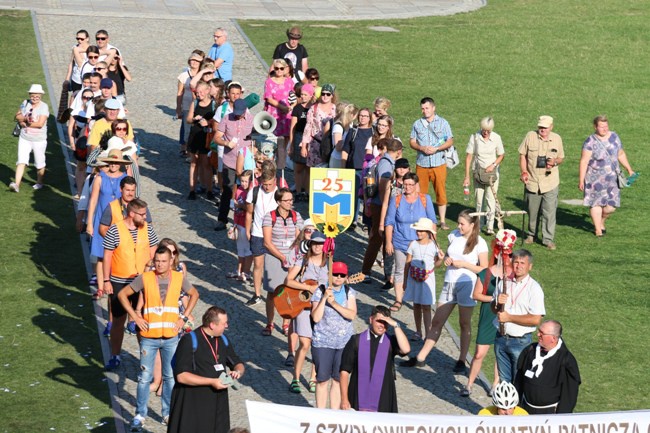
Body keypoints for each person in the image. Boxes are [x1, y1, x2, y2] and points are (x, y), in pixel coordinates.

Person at [117, 246, 199, 431]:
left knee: (170, 377)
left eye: (163, 261)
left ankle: (168, 413)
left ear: (171, 261)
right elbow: (122, 295)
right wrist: (136, 317)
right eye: (157, 261)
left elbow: (195, 294)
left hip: (170, 336)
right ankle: (140, 414)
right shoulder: (145, 278)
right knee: (144, 377)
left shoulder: (179, 278)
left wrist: (183, 317)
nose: (160, 265)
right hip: (149, 337)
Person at [401, 210, 488, 373]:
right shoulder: (454, 235)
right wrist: (445, 258)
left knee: (464, 323)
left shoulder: (479, 243)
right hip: (450, 282)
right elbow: (449, 255)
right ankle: (421, 357)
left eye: (462, 224)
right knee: (437, 321)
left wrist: (464, 264)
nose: (459, 226)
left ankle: (462, 359)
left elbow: (484, 268)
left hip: (467, 284)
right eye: (459, 223)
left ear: (472, 225)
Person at [168, 306, 245, 433]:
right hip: (192, 404)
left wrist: (237, 372)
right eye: (224, 323)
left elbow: (237, 362)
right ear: (212, 325)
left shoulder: (223, 340)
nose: (226, 326)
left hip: (217, 405)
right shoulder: (189, 341)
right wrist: (211, 382)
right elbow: (182, 376)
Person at [103, 198, 159, 370]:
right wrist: (106, 280)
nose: (145, 217)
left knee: (142, 321)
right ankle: (115, 355)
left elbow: (153, 251)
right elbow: (107, 255)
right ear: (132, 213)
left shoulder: (147, 229)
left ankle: (145, 357)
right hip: (120, 282)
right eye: (142, 214)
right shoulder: (115, 229)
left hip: (142, 282)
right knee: (118, 321)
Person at [462, 230, 517, 397]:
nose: (506, 256)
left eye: (508, 253)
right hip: (488, 314)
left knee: (500, 352)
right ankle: (469, 383)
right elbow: (476, 295)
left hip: (506, 315)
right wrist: (494, 298)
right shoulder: (487, 273)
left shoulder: (514, 274)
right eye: (503, 252)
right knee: (479, 352)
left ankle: (496, 384)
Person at [340, 305, 410, 412]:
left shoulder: (391, 341)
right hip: (357, 396)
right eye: (379, 321)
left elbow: (406, 350)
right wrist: (344, 399)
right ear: (371, 319)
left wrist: (396, 325)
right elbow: (344, 371)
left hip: (383, 398)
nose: (382, 325)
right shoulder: (356, 340)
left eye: (385, 322)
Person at [384, 173, 438, 312]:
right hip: (400, 242)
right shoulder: (396, 200)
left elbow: (432, 221)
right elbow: (389, 222)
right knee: (400, 270)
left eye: (410, 185)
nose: (407, 187)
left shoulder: (425, 199)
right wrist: (388, 242)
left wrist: (434, 242)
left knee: (422, 269)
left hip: (419, 243)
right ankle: (398, 300)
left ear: (416, 185)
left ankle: (421, 298)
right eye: (405, 184)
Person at [492, 249, 545, 384]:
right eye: (516, 262)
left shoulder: (534, 288)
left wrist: (509, 318)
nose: (518, 266)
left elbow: (535, 319)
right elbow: (493, 309)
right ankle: (505, 405)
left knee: (519, 380)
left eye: (522, 263)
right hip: (501, 338)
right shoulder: (504, 283)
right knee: (504, 381)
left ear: (530, 266)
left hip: (520, 341)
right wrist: (497, 302)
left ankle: (517, 405)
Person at [578, 115, 636, 237]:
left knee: (611, 207)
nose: (604, 129)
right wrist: (581, 180)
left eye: (606, 126)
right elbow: (584, 161)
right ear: (595, 127)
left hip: (612, 179)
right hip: (594, 179)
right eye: (601, 126)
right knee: (596, 204)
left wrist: (629, 169)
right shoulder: (590, 142)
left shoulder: (614, 137)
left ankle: (601, 222)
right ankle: (598, 229)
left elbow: (620, 154)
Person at [311, 262, 357, 409]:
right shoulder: (319, 291)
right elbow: (316, 318)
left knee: (337, 380)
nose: (338, 277)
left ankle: (334, 415)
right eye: (335, 274)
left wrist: (334, 304)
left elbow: (351, 315)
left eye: (341, 275)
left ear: (346, 277)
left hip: (344, 343)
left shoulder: (349, 292)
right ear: (329, 275)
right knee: (322, 380)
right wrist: (324, 299)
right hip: (323, 341)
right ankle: (321, 414)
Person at [261, 187, 303, 336]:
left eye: (291, 200)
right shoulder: (269, 217)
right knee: (273, 292)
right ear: (279, 202)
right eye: (287, 200)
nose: (290, 203)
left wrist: (293, 256)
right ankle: (269, 322)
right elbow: (267, 242)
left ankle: (286, 322)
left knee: (288, 291)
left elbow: (299, 238)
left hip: (291, 257)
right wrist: (282, 257)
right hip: (274, 256)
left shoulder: (296, 216)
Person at [514, 320, 581, 414]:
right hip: (526, 410)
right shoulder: (529, 351)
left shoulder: (566, 361)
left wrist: (561, 418)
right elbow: (518, 381)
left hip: (550, 414)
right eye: (539, 331)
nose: (538, 335)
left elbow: (569, 395)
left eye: (542, 333)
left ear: (553, 338)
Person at [519, 115, 565, 250]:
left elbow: (561, 158)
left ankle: (548, 239)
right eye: (540, 127)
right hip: (532, 181)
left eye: (545, 127)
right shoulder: (530, 136)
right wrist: (524, 172)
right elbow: (522, 155)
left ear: (551, 127)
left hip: (550, 182)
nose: (542, 129)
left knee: (549, 212)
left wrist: (554, 161)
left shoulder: (557, 139)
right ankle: (531, 234)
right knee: (532, 211)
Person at [361, 138, 403, 283]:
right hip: (381, 206)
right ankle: (366, 271)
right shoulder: (386, 164)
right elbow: (383, 186)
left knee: (384, 239)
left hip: (380, 205)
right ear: (399, 152)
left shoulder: (384, 161)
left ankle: (387, 275)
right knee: (378, 239)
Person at [409, 97, 454, 229]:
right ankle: (421, 218)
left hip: (438, 162)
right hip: (422, 163)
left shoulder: (443, 123)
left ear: (433, 108)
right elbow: (412, 141)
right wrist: (421, 148)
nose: (424, 111)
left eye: (427, 108)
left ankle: (443, 220)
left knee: (440, 191)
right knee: (420, 192)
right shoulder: (417, 124)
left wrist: (437, 149)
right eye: (422, 108)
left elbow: (450, 140)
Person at [214, 99, 254, 230]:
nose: (238, 115)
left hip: (246, 163)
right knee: (227, 189)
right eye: (236, 112)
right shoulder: (226, 118)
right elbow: (217, 137)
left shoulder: (252, 119)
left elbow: (257, 138)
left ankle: (250, 220)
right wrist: (226, 143)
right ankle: (222, 219)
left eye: (240, 113)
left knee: (250, 191)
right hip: (230, 160)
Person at [402, 217, 444, 341]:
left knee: (426, 306)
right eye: (418, 231)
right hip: (414, 277)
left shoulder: (434, 245)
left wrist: (440, 259)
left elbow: (436, 265)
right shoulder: (413, 244)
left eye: (422, 231)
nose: (419, 233)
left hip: (427, 278)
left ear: (428, 232)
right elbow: (408, 263)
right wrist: (405, 281)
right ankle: (418, 331)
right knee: (416, 305)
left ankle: (428, 332)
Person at [464, 117, 505, 235]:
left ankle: (490, 226)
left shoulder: (496, 138)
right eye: (484, 130)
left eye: (488, 131)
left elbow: (501, 155)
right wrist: (467, 176)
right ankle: (479, 224)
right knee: (478, 199)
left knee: (490, 199)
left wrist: (493, 165)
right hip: (478, 173)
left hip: (492, 174)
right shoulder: (474, 137)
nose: (485, 132)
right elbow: (468, 157)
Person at [245, 166, 278, 305]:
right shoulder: (255, 192)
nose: (268, 187)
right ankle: (257, 294)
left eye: (270, 184)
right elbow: (249, 213)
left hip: (274, 234)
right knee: (258, 264)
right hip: (258, 233)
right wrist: (248, 230)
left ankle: (276, 293)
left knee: (274, 265)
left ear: (275, 181)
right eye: (265, 184)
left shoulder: (279, 192)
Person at [10, 84, 50, 193]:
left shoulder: (44, 107)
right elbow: (17, 116)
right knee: (21, 161)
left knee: (39, 163)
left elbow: (40, 124)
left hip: (39, 139)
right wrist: (24, 118)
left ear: (41, 95)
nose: (35, 97)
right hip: (25, 138)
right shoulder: (25, 103)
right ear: (29, 95)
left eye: (37, 95)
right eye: (33, 95)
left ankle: (39, 182)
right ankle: (16, 184)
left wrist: (25, 123)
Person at [264, 59, 294, 171]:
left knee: (284, 140)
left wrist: (292, 106)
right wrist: (282, 107)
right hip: (274, 114)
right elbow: (269, 98)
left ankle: (281, 164)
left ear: (286, 68)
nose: (279, 71)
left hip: (286, 115)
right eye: (276, 68)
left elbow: (293, 96)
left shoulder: (289, 82)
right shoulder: (269, 82)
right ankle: (272, 163)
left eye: (281, 68)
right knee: (273, 140)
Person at [301, 83, 337, 169]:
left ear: (332, 95)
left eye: (328, 94)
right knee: (313, 170)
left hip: (329, 143)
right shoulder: (314, 108)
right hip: (315, 143)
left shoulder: (335, 109)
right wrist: (303, 146)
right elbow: (308, 127)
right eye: (323, 93)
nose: (325, 96)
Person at [176, 51, 204, 157]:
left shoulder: (202, 75)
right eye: (192, 60)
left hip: (201, 105)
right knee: (187, 129)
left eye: (197, 61)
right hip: (187, 105)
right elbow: (179, 93)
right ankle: (188, 151)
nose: (194, 62)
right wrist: (178, 108)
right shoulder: (183, 76)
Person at [289, 83, 314, 201]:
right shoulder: (297, 108)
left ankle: (308, 192)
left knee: (309, 167)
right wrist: (292, 143)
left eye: (305, 94)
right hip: (299, 136)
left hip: (310, 138)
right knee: (299, 167)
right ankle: (299, 191)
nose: (303, 97)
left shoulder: (314, 108)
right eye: (302, 94)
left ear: (311, 95)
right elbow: (293, 127)